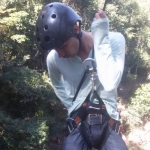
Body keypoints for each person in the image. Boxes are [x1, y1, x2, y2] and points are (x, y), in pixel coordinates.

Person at [36, 2, 128, 150]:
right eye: (55, 48)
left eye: (62, 46)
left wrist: (101, 36)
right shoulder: (54, 58)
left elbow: (110, 82)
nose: (60, 54)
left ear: (76, 29)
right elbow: (57, 85)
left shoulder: (114, 40)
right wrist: (72, 105)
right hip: (78, 121)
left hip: (109, 120)